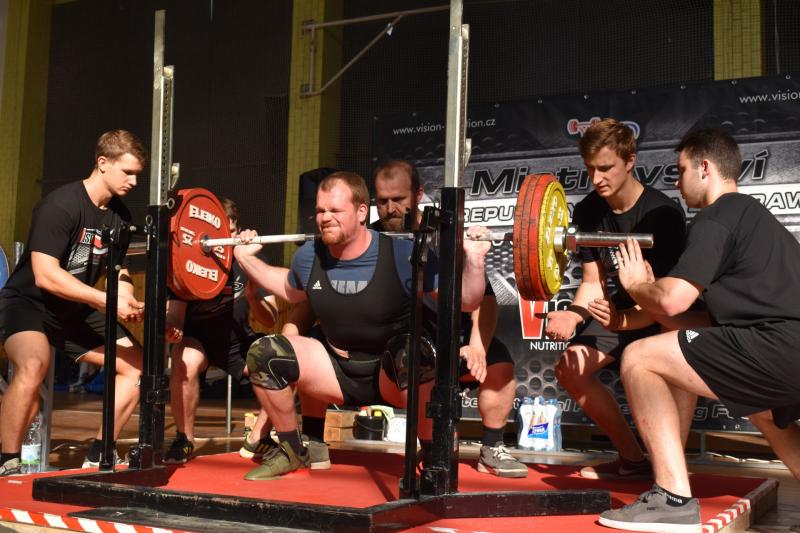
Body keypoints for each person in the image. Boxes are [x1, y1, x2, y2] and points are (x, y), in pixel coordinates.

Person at [598, 128, 800, 532]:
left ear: (705, 168)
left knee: (640, 357)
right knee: (767, 416)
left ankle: (672, 498)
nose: (677, 182)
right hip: (785, 349)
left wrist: (637, 285)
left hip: (775, 346)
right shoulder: (755, 218)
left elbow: (672, 300)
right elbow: (700, 321)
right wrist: (639, 307)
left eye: (681, 170)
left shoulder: (717, 216)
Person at [233, 170, 491, 480]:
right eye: (320, 211)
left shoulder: (403, 254)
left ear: (361, 212)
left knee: (415, 352)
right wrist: (245, 259)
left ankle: (432, 453)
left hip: (391, 377)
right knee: (264, 352)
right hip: (334, 373)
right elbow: (289, 289)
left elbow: (466, 301)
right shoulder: (309, 256)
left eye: (335, 210)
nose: (325, 218)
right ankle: (292, 450)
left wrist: (475, 261)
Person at [545, 118, 689, 480]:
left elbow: (669, 298)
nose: (596, 179)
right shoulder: (588, 211)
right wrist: (573, 316)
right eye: (590, 169)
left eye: (606, 168)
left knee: (658, 368)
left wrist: (624, 320)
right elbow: (593, 282)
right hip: (620, 313)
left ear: (630, 160)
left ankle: (669, 472)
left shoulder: (664, 215)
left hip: (664, 314)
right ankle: (632, 461)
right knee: (569, 368)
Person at [0, 130, 147, 475]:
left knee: (137, 367)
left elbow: (119, 271)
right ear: (102, 163)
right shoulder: (60, 205)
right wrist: (107, 301)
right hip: (28, 305)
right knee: (34, 364)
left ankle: (99, 451)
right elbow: (45, 275)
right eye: (127, 172)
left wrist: (126, 297)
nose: (134, 181)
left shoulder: (120, 216)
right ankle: (7, 461)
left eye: (138, 174)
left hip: (73, 310)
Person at [371, 159, 527, 478]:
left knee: (498, 364)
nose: (390, 209)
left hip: (449, 338)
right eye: (383, 201)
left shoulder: (446, 237)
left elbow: (485, 299)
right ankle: (430, 449)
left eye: (398, 199)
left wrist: (477, 345)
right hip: (400, 345)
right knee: (415, 357)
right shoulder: (370, 239)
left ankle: (492, 447)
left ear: (418, 195)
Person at [163, 198, 279, 464]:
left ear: (237, 230)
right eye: (219, 233)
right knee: (184, 360)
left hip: (236, 342)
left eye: (232, 231)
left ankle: (258, 437)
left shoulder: (252, 259)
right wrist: (173, 328)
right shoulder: (187, 262)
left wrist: (252, 295)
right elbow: (175, 315)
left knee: (284, 358)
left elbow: (270, 319)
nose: (225, 239)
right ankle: (184, 439)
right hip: (198, 340)